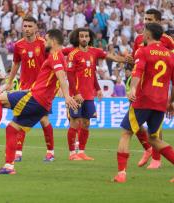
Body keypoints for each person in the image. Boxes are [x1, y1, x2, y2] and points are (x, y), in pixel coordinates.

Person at [0, 29, 78, 174]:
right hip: (42, 104)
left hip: (36, 98)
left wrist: (67, 96)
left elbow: (61, 76)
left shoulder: (55, 55)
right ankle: (9, 167)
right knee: (12, 129)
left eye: (47, 40)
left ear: (54, 42)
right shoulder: (60, 56)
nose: (45, 42)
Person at [0, 16, 56, 162]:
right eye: (25, 26)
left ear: (36, 28)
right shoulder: (19, 45)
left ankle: (50, 151)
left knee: (43, 120)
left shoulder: (43, 44)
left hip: (40, 90)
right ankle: (17, 152)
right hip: (24, 87)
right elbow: (16, 64)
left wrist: (55, 87)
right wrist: (10, 81)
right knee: (18, 118)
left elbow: (54, 64)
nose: (27, 29)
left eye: (30, 26)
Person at [113, 23, 174, 183]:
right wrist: (171, 102)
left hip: (143, 100)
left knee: (126, 133)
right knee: (154, 139)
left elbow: (138, 71)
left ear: (147, 35)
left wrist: (132, 89)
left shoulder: (143, 51)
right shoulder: (170, 55)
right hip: (161, 102)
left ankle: (121, 174)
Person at [64, 28, 131, 161]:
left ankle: (82, 151)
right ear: (77, 38)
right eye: (81, 36)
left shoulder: (94, 52)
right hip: (76, 95)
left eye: (86, 36)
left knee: (86, 123)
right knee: (75, 122)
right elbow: (70, 76)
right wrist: (75, 93)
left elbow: (107, 59)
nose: (84, 38)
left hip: (89, 95)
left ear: (90, 38)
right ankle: (72, 154)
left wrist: (124, 60)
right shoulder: (73, 54)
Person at [131, 9, 174, 169]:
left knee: (156, 127)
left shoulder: (167, 40)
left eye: (150, 19)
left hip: (158, 87)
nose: (146, 21)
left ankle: (156, 158)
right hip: (140, 86)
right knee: (133, 123)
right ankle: (148, 148)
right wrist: (130, 60)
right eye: (145, 18)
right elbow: (137, 61)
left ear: (158, 21)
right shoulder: (139, 39)